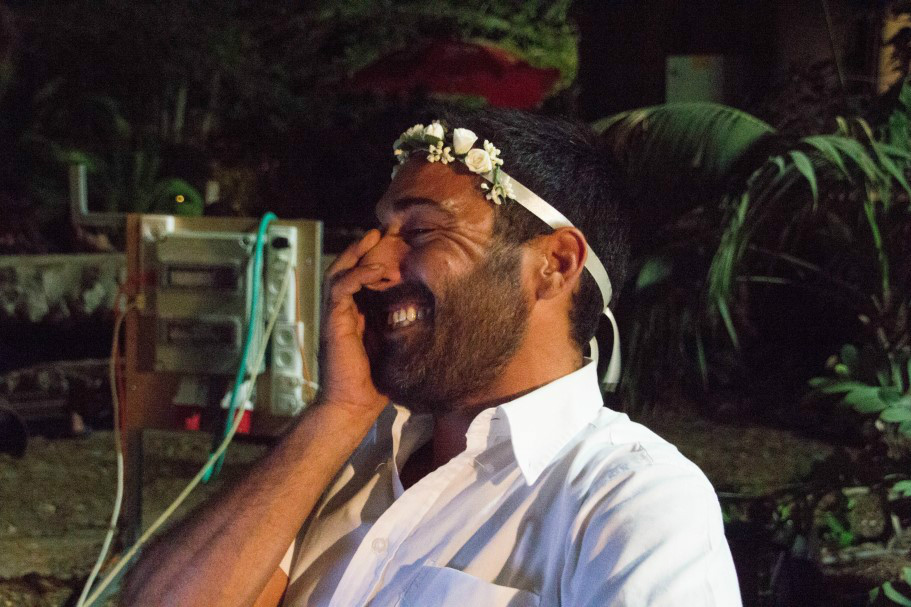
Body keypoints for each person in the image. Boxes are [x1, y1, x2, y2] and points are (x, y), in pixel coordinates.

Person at [122, 109, 742, 606]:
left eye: (420, 232)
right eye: (379, 233)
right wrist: (338, 414)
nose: (372, 265)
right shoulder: (342, 464)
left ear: (554, 264)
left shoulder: (630, 500)